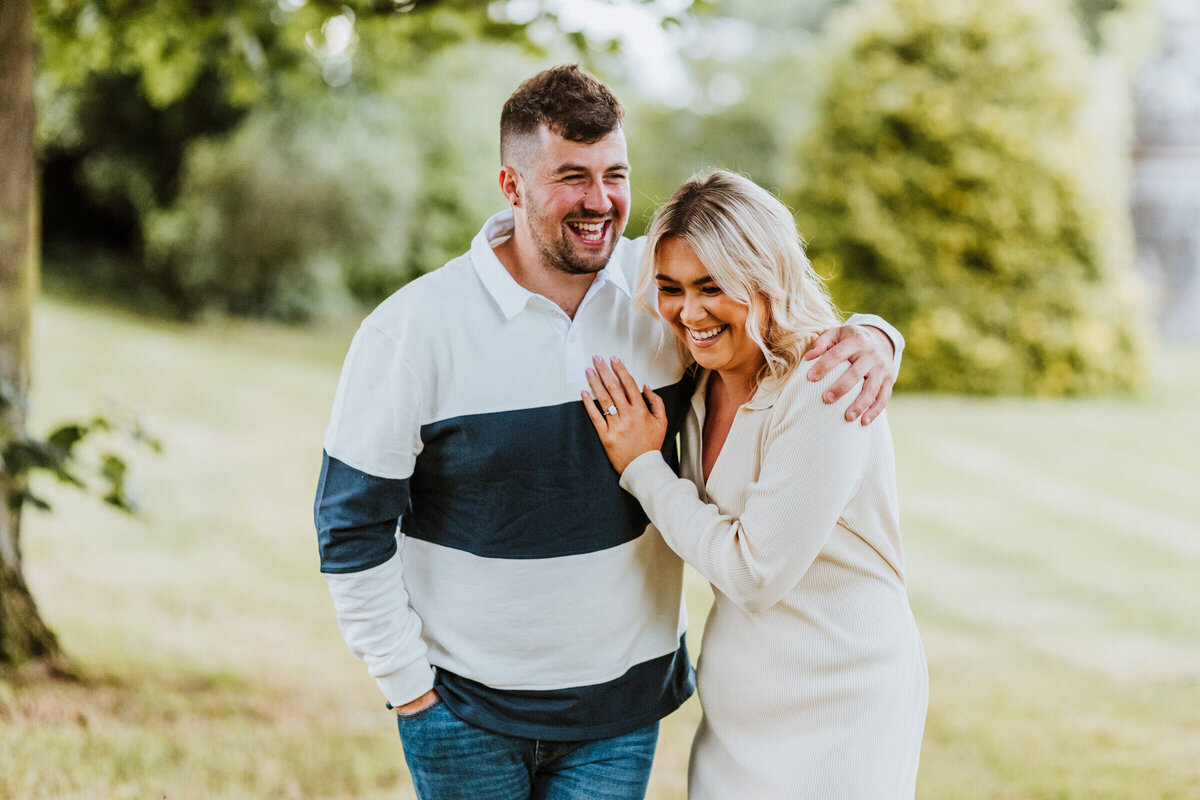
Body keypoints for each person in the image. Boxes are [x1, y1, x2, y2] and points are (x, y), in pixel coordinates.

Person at [314, 67, 904, 800]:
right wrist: (409, 690)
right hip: (465, 714)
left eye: (614, 174)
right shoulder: (413, 329)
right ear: (512, 184)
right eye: (571, 176)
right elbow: (350, 526)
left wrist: (877, 336)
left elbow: (770, 317)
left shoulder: (657, 292)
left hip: (620, 720)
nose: (600, 201)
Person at [582, 170, 928, 800]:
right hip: (738, 712)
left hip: (842, 706)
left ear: (764, 279)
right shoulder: (696, 374)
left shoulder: (826, 385)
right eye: (671, 288)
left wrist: (643, 468)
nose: (690, 312)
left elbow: (753, 573)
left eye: (713, 288)